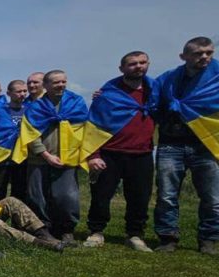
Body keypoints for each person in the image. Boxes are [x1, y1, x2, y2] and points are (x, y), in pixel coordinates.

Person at [83, 51, 156, 252]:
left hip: (142, 153)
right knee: (101, 195)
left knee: (140, 197)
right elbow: (93, 126)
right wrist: (94, 155)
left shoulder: (155, 91)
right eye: (133, 64)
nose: (138, 67)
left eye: (142, 62)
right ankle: (96, 232)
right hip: (110, 152)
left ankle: (135, 235)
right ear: (122, 68)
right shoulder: (108, 94)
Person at [153, 36, 219, 255]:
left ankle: (208, 239)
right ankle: (168, 237)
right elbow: (149, 101)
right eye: (198, 53)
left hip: (205, 144)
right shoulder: (168, 79)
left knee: (212, 197)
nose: (204, 57)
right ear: (184, 56)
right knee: (167, 195)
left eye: (208, 52)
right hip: (171, 144)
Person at [18, 69, 88, 246]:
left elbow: (84, 129)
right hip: (39, 159)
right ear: (46, 85)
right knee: (37, 196)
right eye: (56, 82)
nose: (61, 85)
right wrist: (46, 155)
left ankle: (66, 230)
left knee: (66, 196)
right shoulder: (35, 107)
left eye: (63, 81)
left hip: (67, 159)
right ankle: (43, 229)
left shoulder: (76, 102)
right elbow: (30, 134)